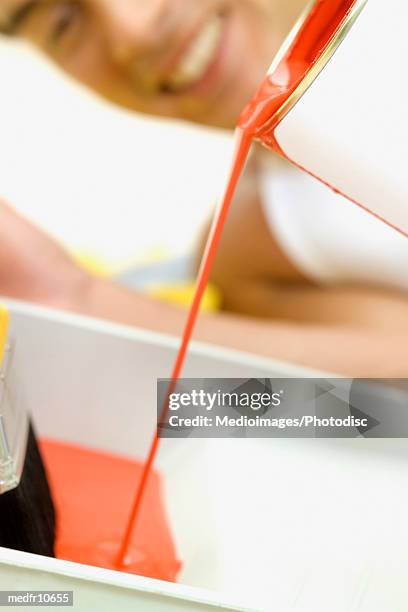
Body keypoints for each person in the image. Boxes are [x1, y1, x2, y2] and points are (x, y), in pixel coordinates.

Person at [0, 0, 407, 376]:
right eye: (63, 23)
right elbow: (361, 415)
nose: (134, 29)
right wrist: (71, 297)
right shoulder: (254, 249)